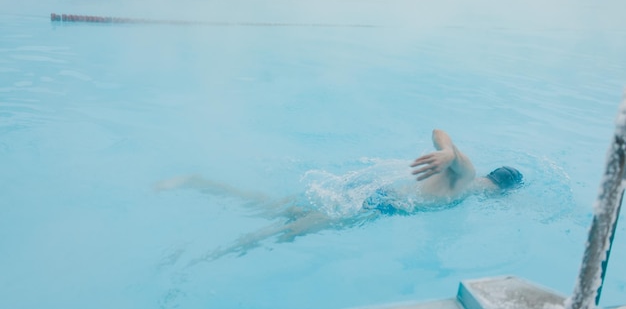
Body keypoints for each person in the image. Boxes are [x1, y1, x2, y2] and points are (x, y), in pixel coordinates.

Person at [155, 129, 523, 262]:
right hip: (371, 208)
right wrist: (449, 153)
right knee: (288, 232)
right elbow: (445, 137)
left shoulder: (464, 186)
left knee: (270, 208)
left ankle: (198, 182)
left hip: (366, 197)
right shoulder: (466, 179)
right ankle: (206, 259)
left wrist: (447, 153)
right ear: (499, 188)